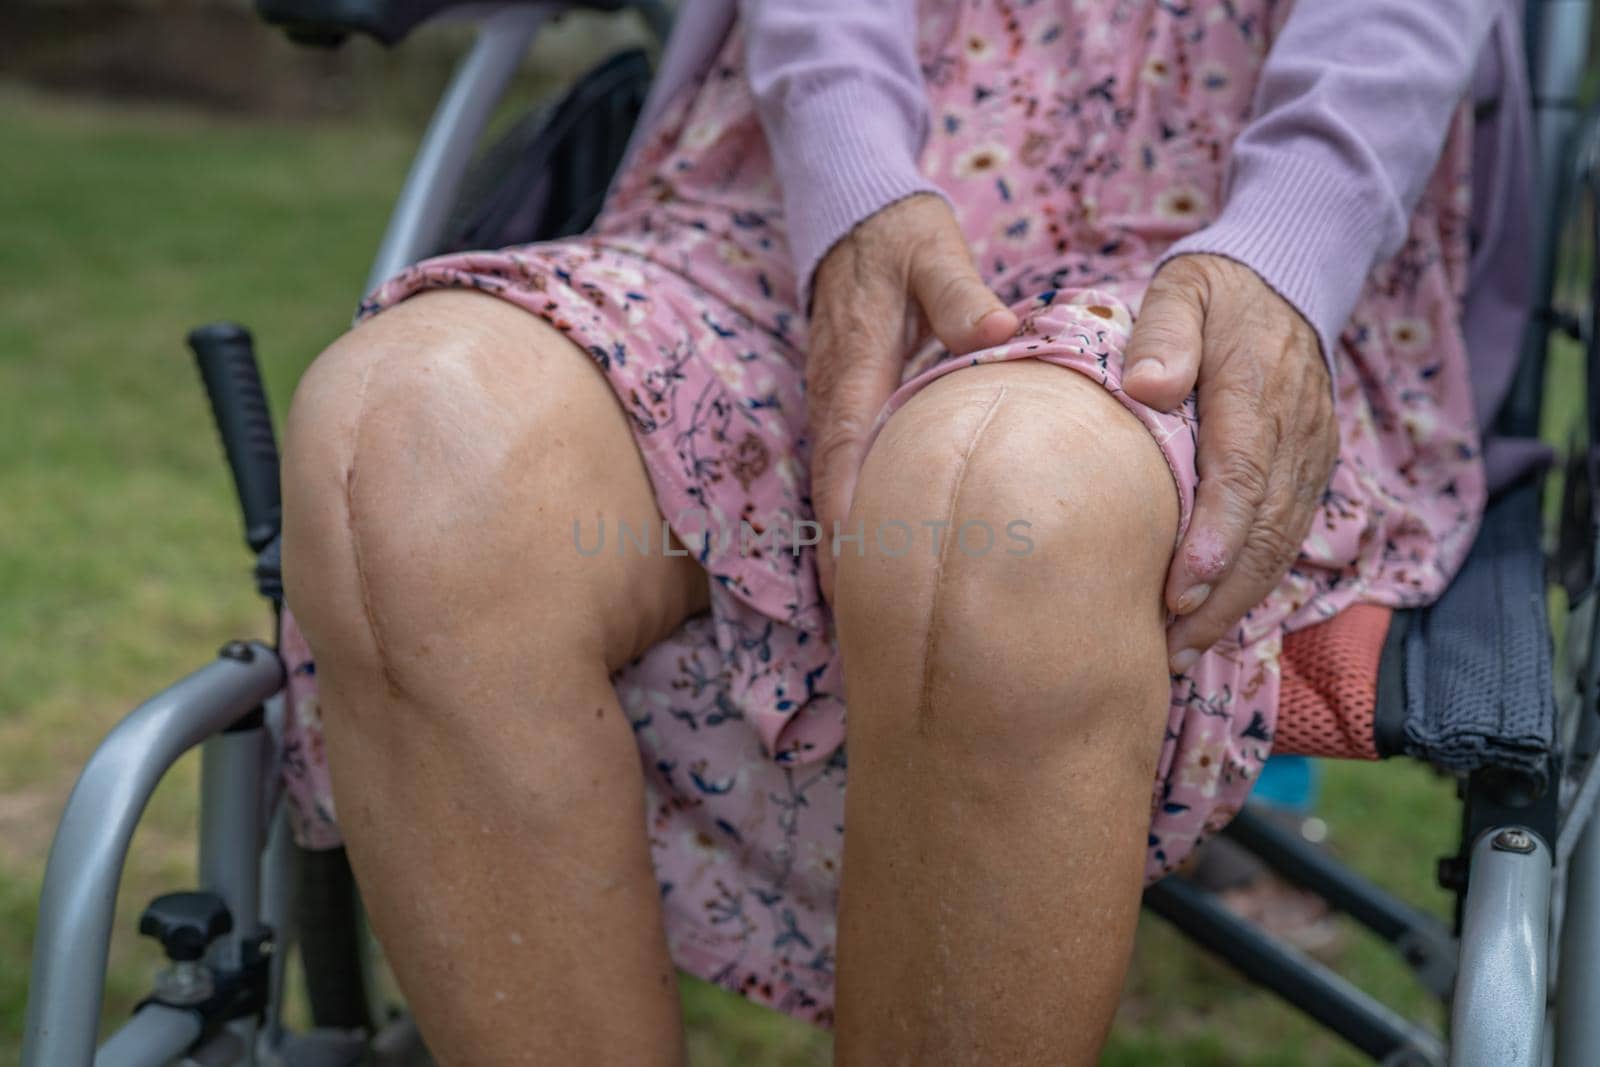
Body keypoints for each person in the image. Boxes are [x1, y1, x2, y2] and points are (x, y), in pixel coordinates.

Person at [277, 0, 1531, 1061]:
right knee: (410, 449)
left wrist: (1287, 248)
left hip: (1221, 229)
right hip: (783, 197)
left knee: (1011, 505)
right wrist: (855, 188)